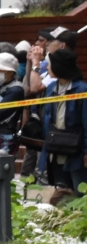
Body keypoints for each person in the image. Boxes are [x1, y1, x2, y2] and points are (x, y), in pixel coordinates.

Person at [40, 48, 87, 195]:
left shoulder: (81, 89)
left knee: (80, 191)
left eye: (50, 64)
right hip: (55, 146)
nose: (48, 68)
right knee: (60, 192)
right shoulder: (51, 88)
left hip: (76, 149)